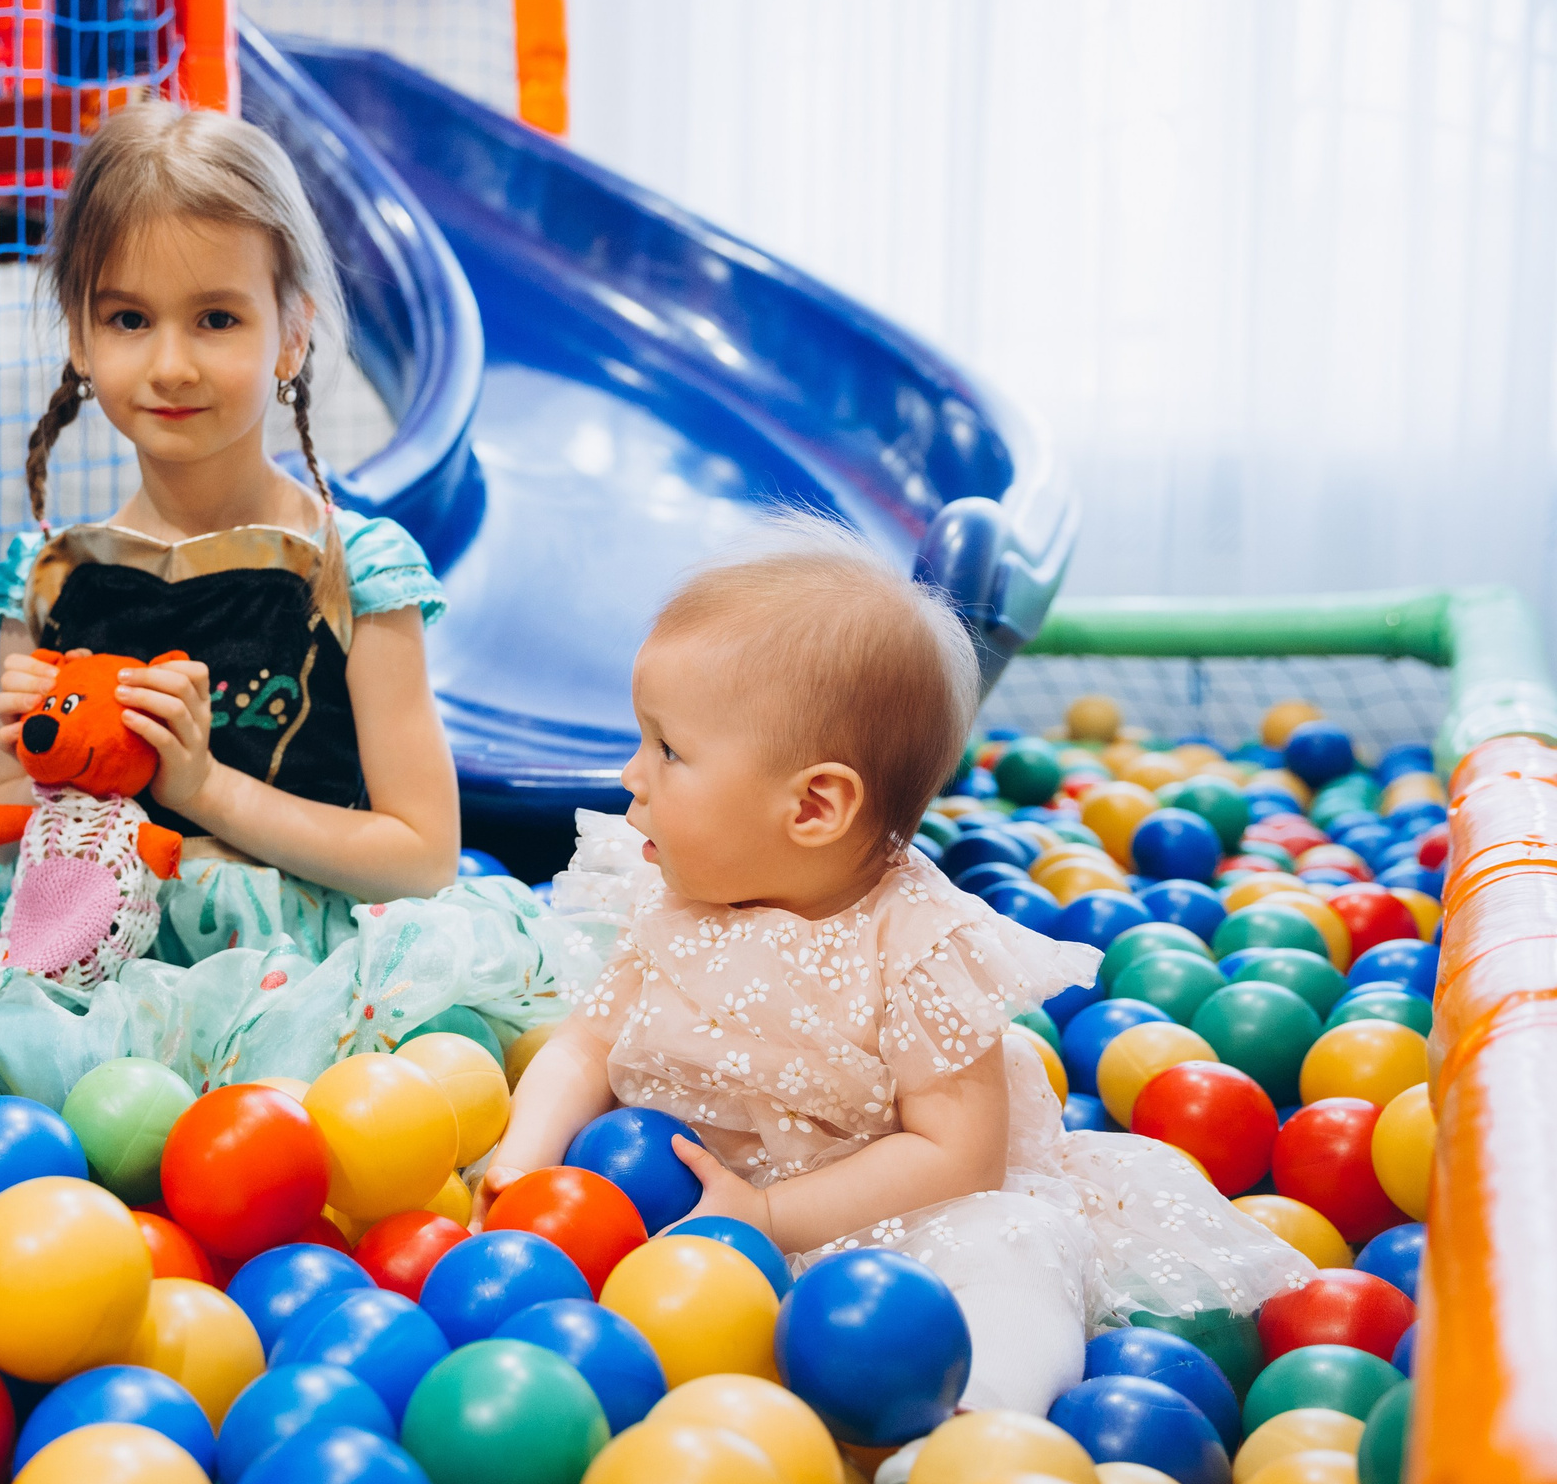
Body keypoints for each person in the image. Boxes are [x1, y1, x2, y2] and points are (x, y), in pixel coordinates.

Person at [481, 518, 1312, 1413]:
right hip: (682, 1229)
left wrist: (770, 1219)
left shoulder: (918, 946)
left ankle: (973, 1422)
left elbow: (958, 1156)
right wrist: (524, 1169)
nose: (628, 772)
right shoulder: (672, 905)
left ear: (814, 805)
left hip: (885, 1232)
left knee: (1016, 1247)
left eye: (668, 749)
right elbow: (582, 1045)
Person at [0, 102, 595, 1107]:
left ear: (291, 335)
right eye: (128, 319)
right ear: (81, 342)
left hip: (303, 979)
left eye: (216, 318)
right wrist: (18, 775)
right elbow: (8, 829)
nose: (172, 362)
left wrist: (205, 791)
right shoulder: (48, 576)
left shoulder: (353, 569)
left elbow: (423, 854)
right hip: (98, 963)